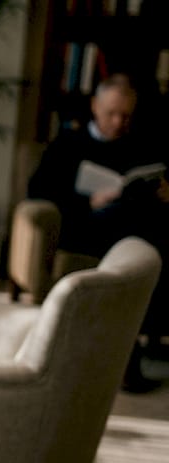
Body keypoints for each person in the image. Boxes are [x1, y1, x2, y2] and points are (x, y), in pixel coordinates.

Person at [28, 73, 169, 391]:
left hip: (133, 233)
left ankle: (130, 350)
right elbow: (38, 193)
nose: (119, 122)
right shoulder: (67, 144)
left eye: (126, 115)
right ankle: (127, 356)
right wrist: (88, 201)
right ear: (95, 106)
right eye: (112, 113)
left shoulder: (140, 146)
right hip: (83, 229)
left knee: (142, 222)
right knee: (130, 223)